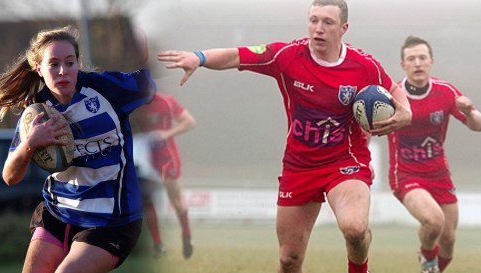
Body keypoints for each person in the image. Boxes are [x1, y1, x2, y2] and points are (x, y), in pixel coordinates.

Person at [157, 1, 412, 272]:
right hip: (300, 166)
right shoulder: (287, 56)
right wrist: (199, 57)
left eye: (328, 22)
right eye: (313, 20)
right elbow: (236, 56)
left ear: (343, 28)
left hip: (345, 161)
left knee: (355, 228)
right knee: (289, 260)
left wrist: (406, 112)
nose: (318, 28)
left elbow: (394, 89)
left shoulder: (362, 65)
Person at [0, 26, 154, 273]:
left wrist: (198, 59)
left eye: (70, 63)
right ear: (38, 68)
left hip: (111, 220)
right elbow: (10, 177)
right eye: (53, 64)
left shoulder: (107, 90)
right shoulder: (37, 113)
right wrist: (30, 144)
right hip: (58, 214)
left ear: (78, 63)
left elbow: (157, 78)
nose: (63, 71)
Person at [386, 35, 481, 273]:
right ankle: (428, 260)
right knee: (433, 221)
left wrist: (470, 111)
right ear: (403, 65)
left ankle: (432, 268)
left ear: (431, 62)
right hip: (406, 174)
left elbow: (478, 126)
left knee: (448, 239)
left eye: (422, 58)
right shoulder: (392, 96)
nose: (417, 63)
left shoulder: (445, 92)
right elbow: (367, 127)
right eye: (411, 59)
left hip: (439, 174)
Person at [134, 92, 198, 259]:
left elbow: (190, 122)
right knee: (146, 201)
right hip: (145, 157)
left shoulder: (166, 101)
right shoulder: (133, 102)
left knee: (175, 199)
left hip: (166, 157)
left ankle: (186, 236)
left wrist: (166, 134)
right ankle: (158, 245)